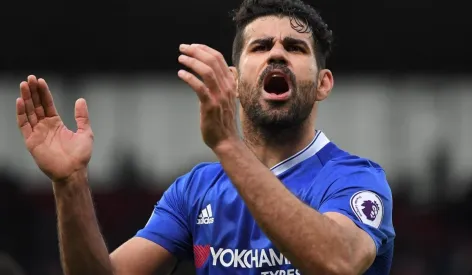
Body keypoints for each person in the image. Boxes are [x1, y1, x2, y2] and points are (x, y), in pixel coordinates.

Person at [15, 0, 395, 274]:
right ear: (232, 79)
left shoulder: (355, 179)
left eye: (295, 48)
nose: (277, 54)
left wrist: (228, 144)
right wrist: (70, 184)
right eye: (260, 47)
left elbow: (338, 263)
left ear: (323, 84)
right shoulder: (195, 190)